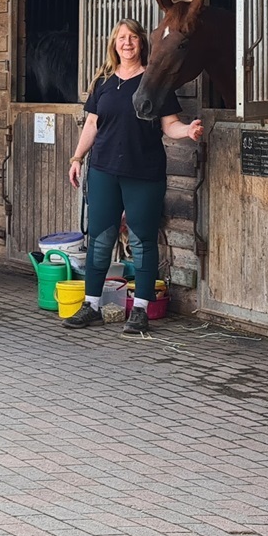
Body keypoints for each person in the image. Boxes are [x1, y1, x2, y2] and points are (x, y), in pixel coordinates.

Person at [64, 19, 203, 334]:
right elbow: (92, 124)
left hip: (143, 173)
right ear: (114, 44)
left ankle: (140, 309)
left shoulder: (154, 81)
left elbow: (170, 125)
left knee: (142, 240)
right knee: (100, 239)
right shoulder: (103, 81)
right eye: (121, 38)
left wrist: (188, 131)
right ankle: (92, 305)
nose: (126, 43)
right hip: (103, 171)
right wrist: (76, 158)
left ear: (142, 43)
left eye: (132, 38)